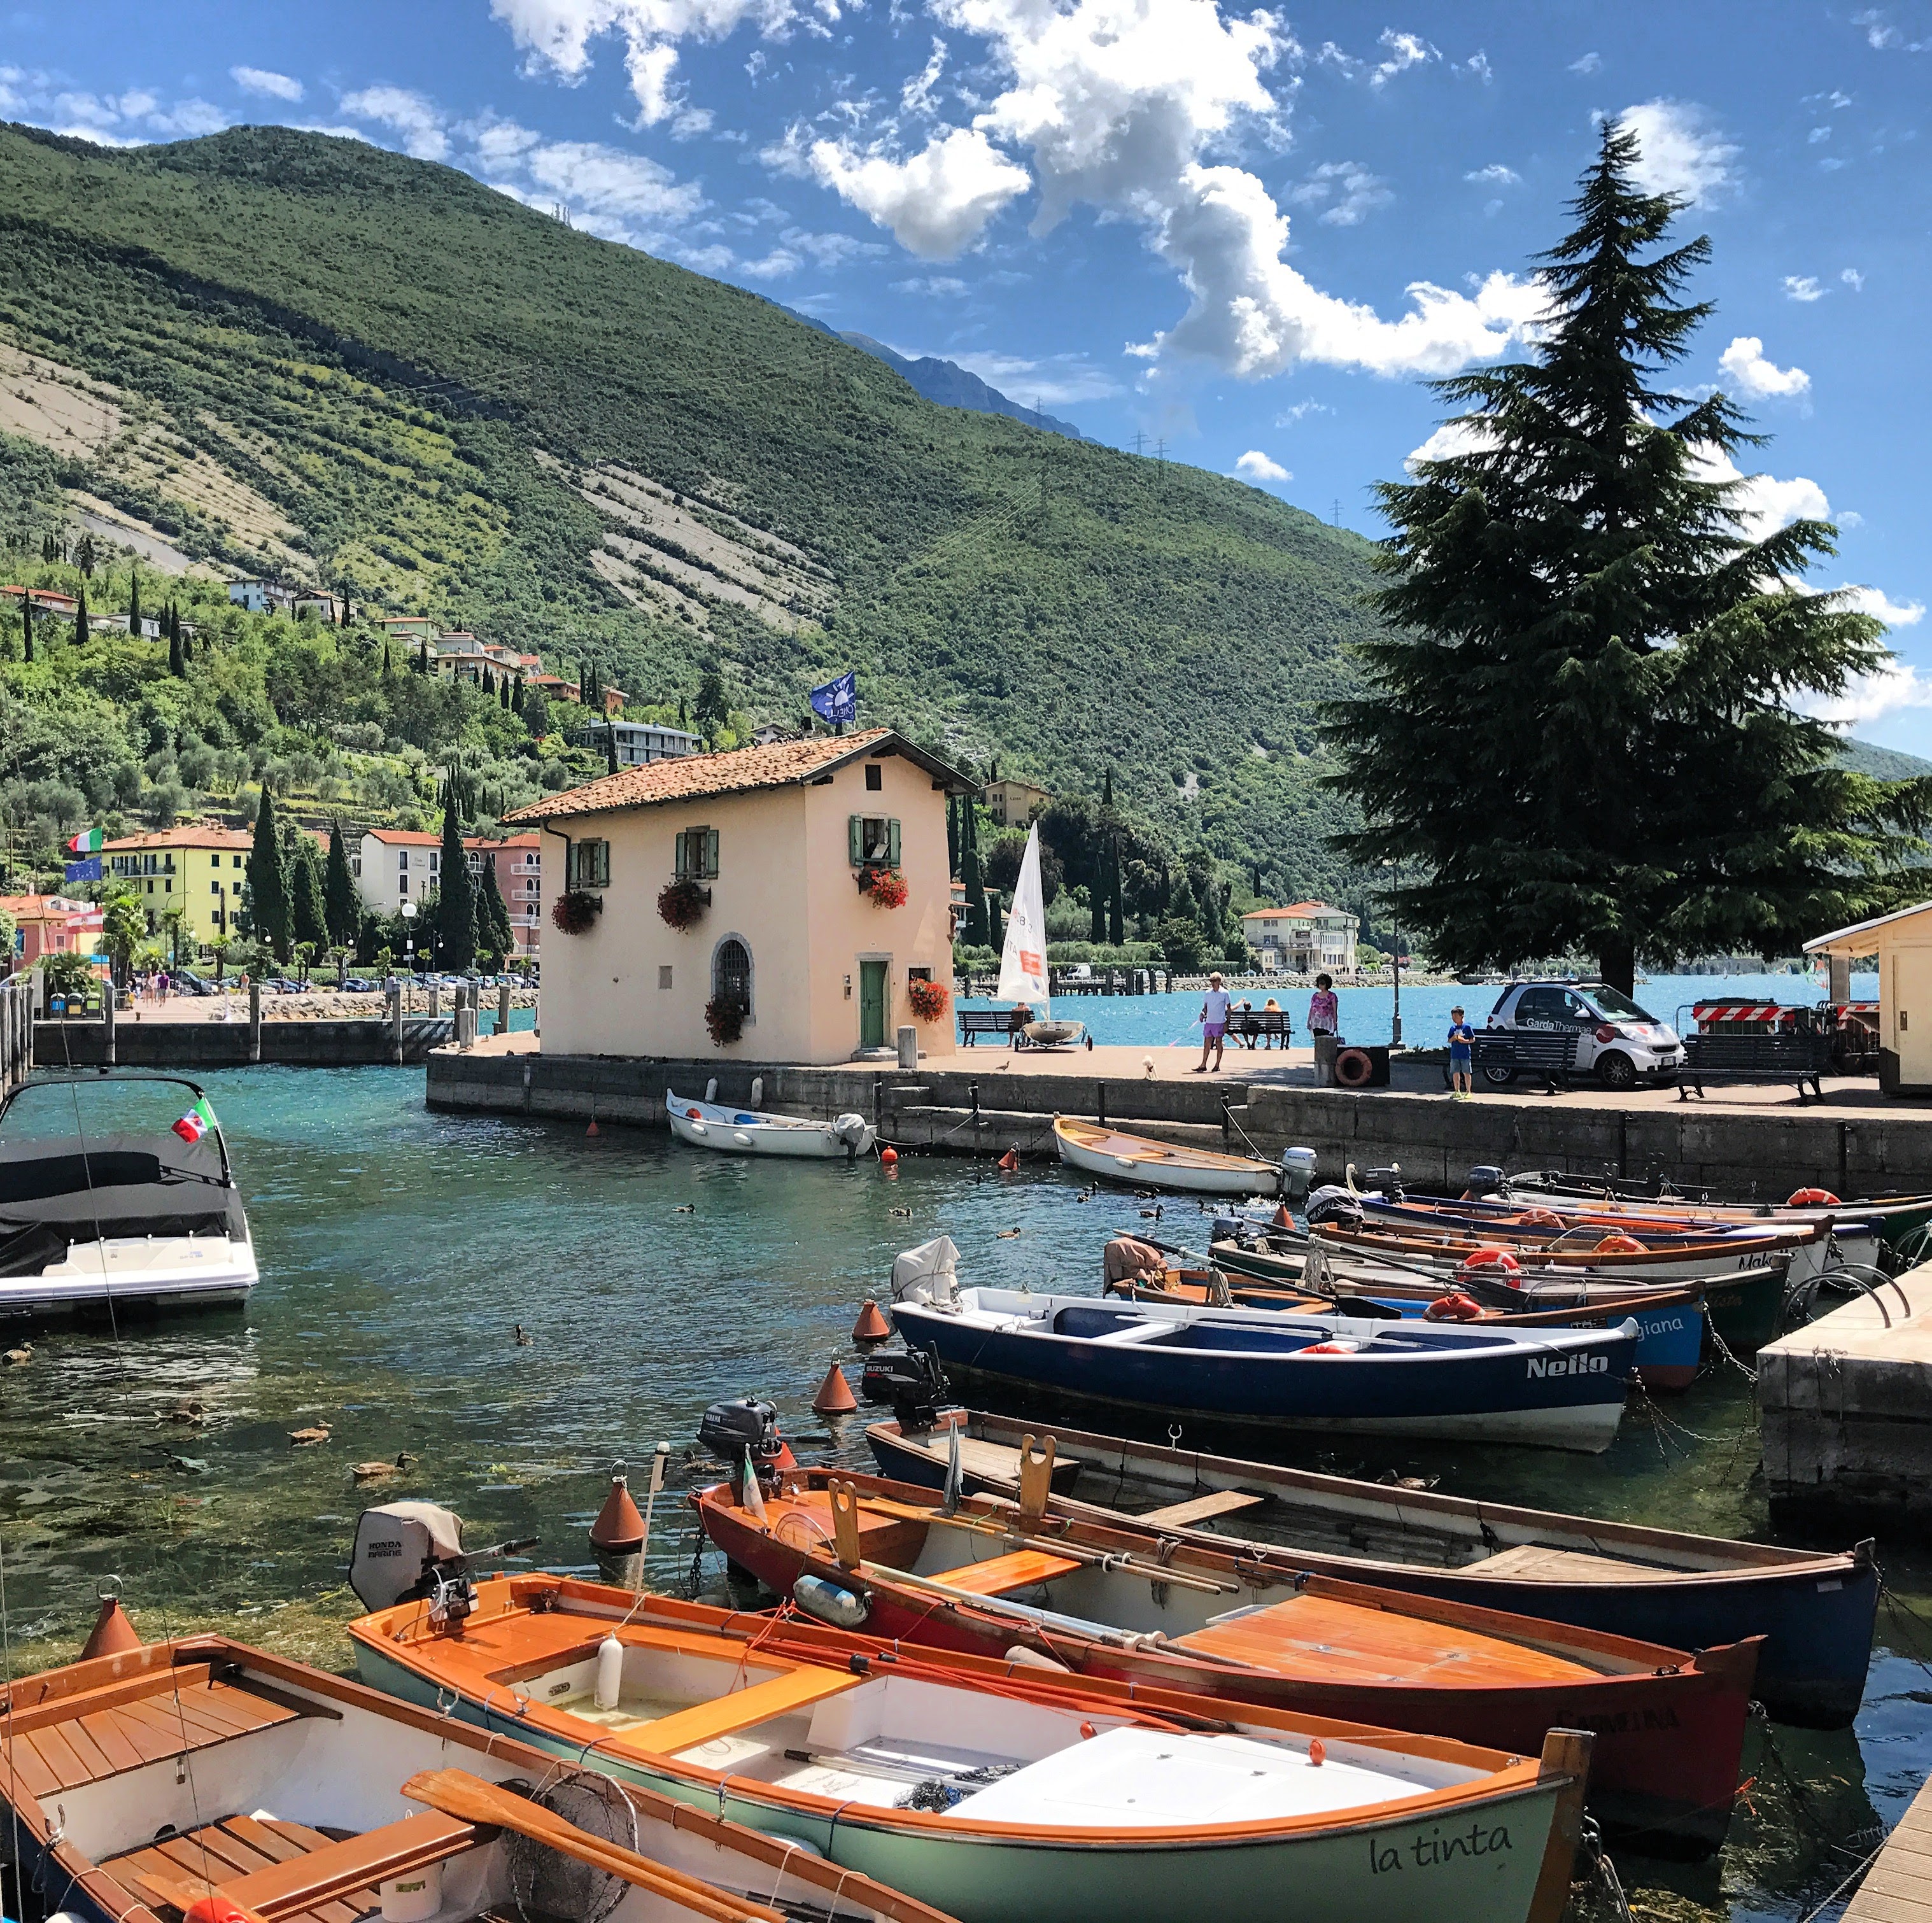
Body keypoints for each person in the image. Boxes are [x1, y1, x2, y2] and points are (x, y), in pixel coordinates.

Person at [1195, 971, 1231, 1073]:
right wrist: (1202, 1013)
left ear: (1219, 981)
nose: (1212, 983)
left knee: (1219, 1042)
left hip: (1219, 1022)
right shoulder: (1207, 993)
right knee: (1207, 1043)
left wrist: (1227, 1022)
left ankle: (1217, 1065)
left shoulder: (1225, 993)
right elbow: (1206, 1008)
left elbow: (1229, 1009)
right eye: (1211, 981)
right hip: (1209, 1022)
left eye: (1214, 981)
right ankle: (1203, 1064)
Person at [1446, 1004, 1476, 1100]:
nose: (1454, 1019)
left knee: (1467, 1072)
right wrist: (1453, 1038)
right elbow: (1449, 1041)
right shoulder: (1453, 1029)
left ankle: (1468, 1091)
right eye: (1453, 1017)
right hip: (1455, 1054)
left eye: (1456, 1016)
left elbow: (1472, 1039)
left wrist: (1464, 1041)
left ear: (1461, 1016)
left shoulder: (1467, 1028)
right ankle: (1457, 1090)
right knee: (1455, 1072)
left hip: (1465, 1054)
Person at [1308, 973, 1339, 1039]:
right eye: (1319, 984)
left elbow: (1334, 1011)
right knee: (1318, 1042)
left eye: (1322, 984)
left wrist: (1335, 1023)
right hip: (1316, 1024)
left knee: (1327, 1042)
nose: (1320, 986)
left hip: (1328, 1024)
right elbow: (1311, 1009)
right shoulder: (1315, 996)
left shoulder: (1332, 996)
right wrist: (1308, 1021)